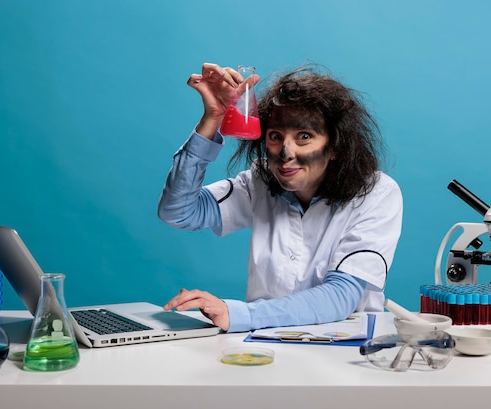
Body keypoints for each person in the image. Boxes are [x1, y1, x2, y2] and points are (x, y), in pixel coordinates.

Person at [159, 62, 403, 333]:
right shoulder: (259, 183)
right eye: (275, 136)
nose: (285, 152)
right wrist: (212, 119)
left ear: (335, 145)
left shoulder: (377, 193)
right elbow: (178, 211)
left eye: (304, 136)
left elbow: (341, 296)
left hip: (344, 350)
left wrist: (238, 313)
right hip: (264, 344)